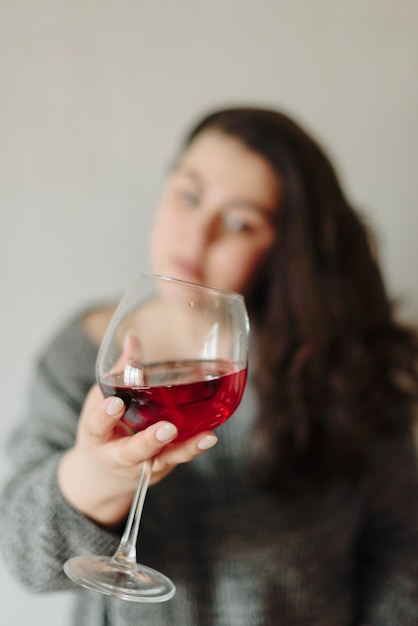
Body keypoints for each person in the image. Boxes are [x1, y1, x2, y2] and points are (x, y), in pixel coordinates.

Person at [1, 107, 418, 626]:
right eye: (189, 196)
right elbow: (27, 563)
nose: (197, 236)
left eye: (240, 222)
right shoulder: (81, 354)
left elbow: (402, 548)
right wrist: (96, 473)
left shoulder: (340, 361)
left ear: (284, 249)